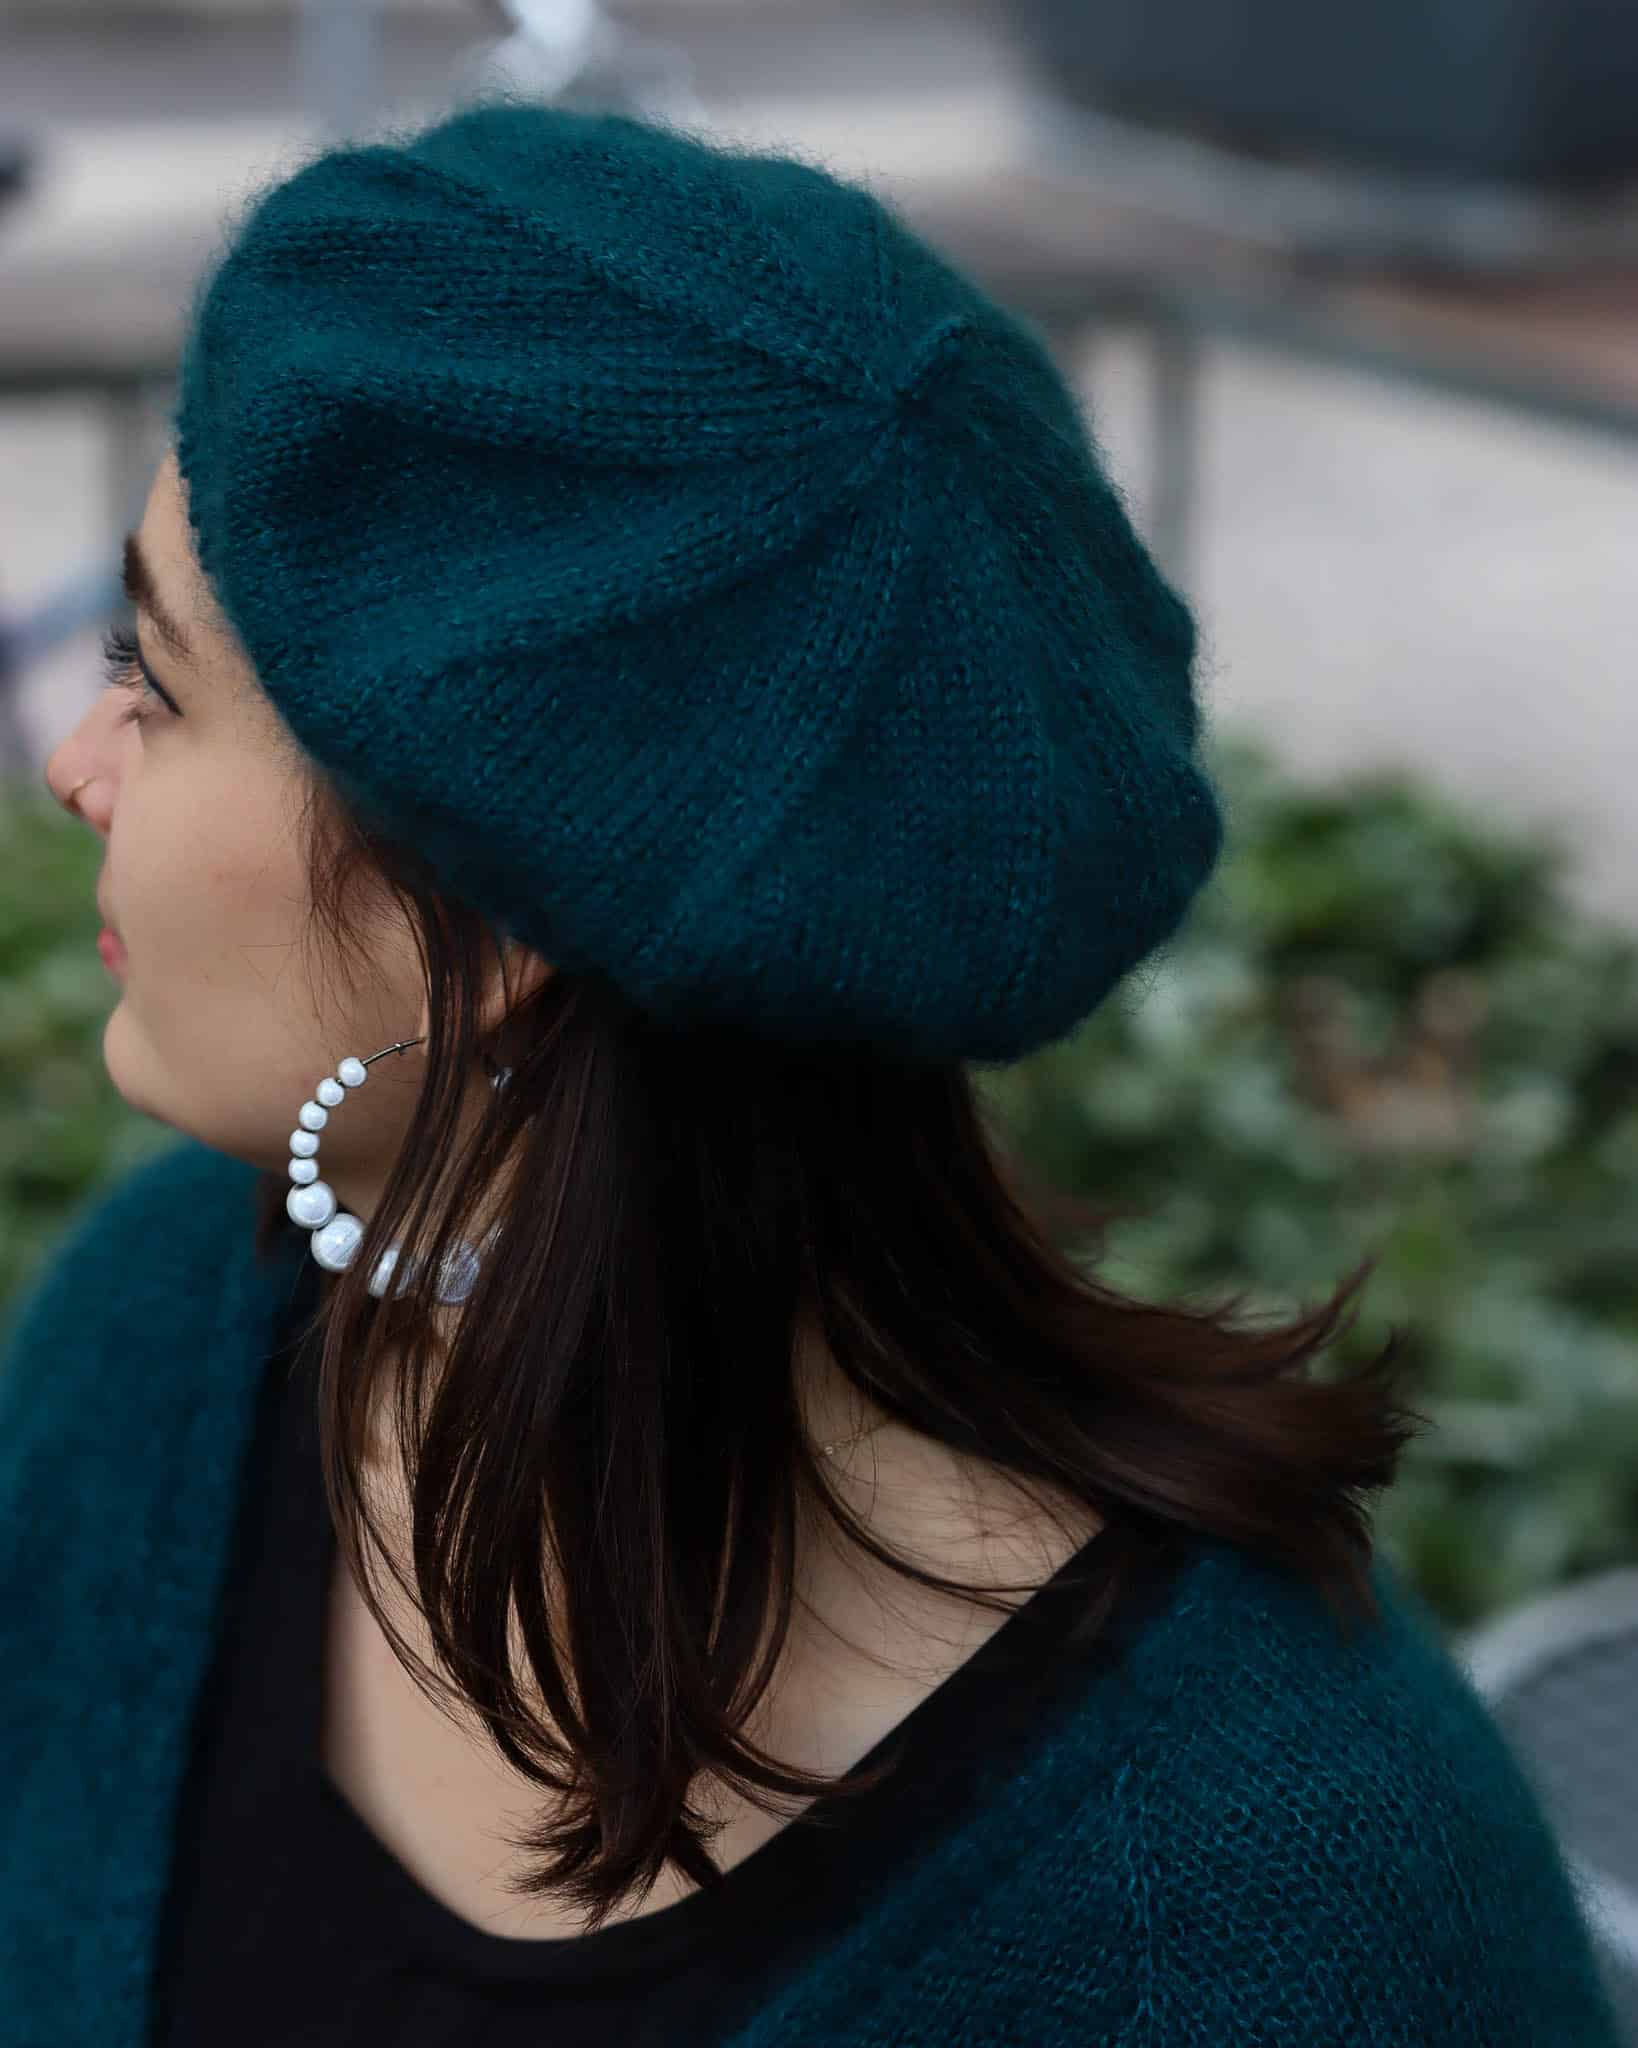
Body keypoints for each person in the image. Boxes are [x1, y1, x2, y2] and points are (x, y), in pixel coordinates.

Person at [2, 96, 1622, 2048]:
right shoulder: (172, 1329)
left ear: (495, 924)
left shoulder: (1288, 1907)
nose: (73, 761)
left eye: (156, 679)